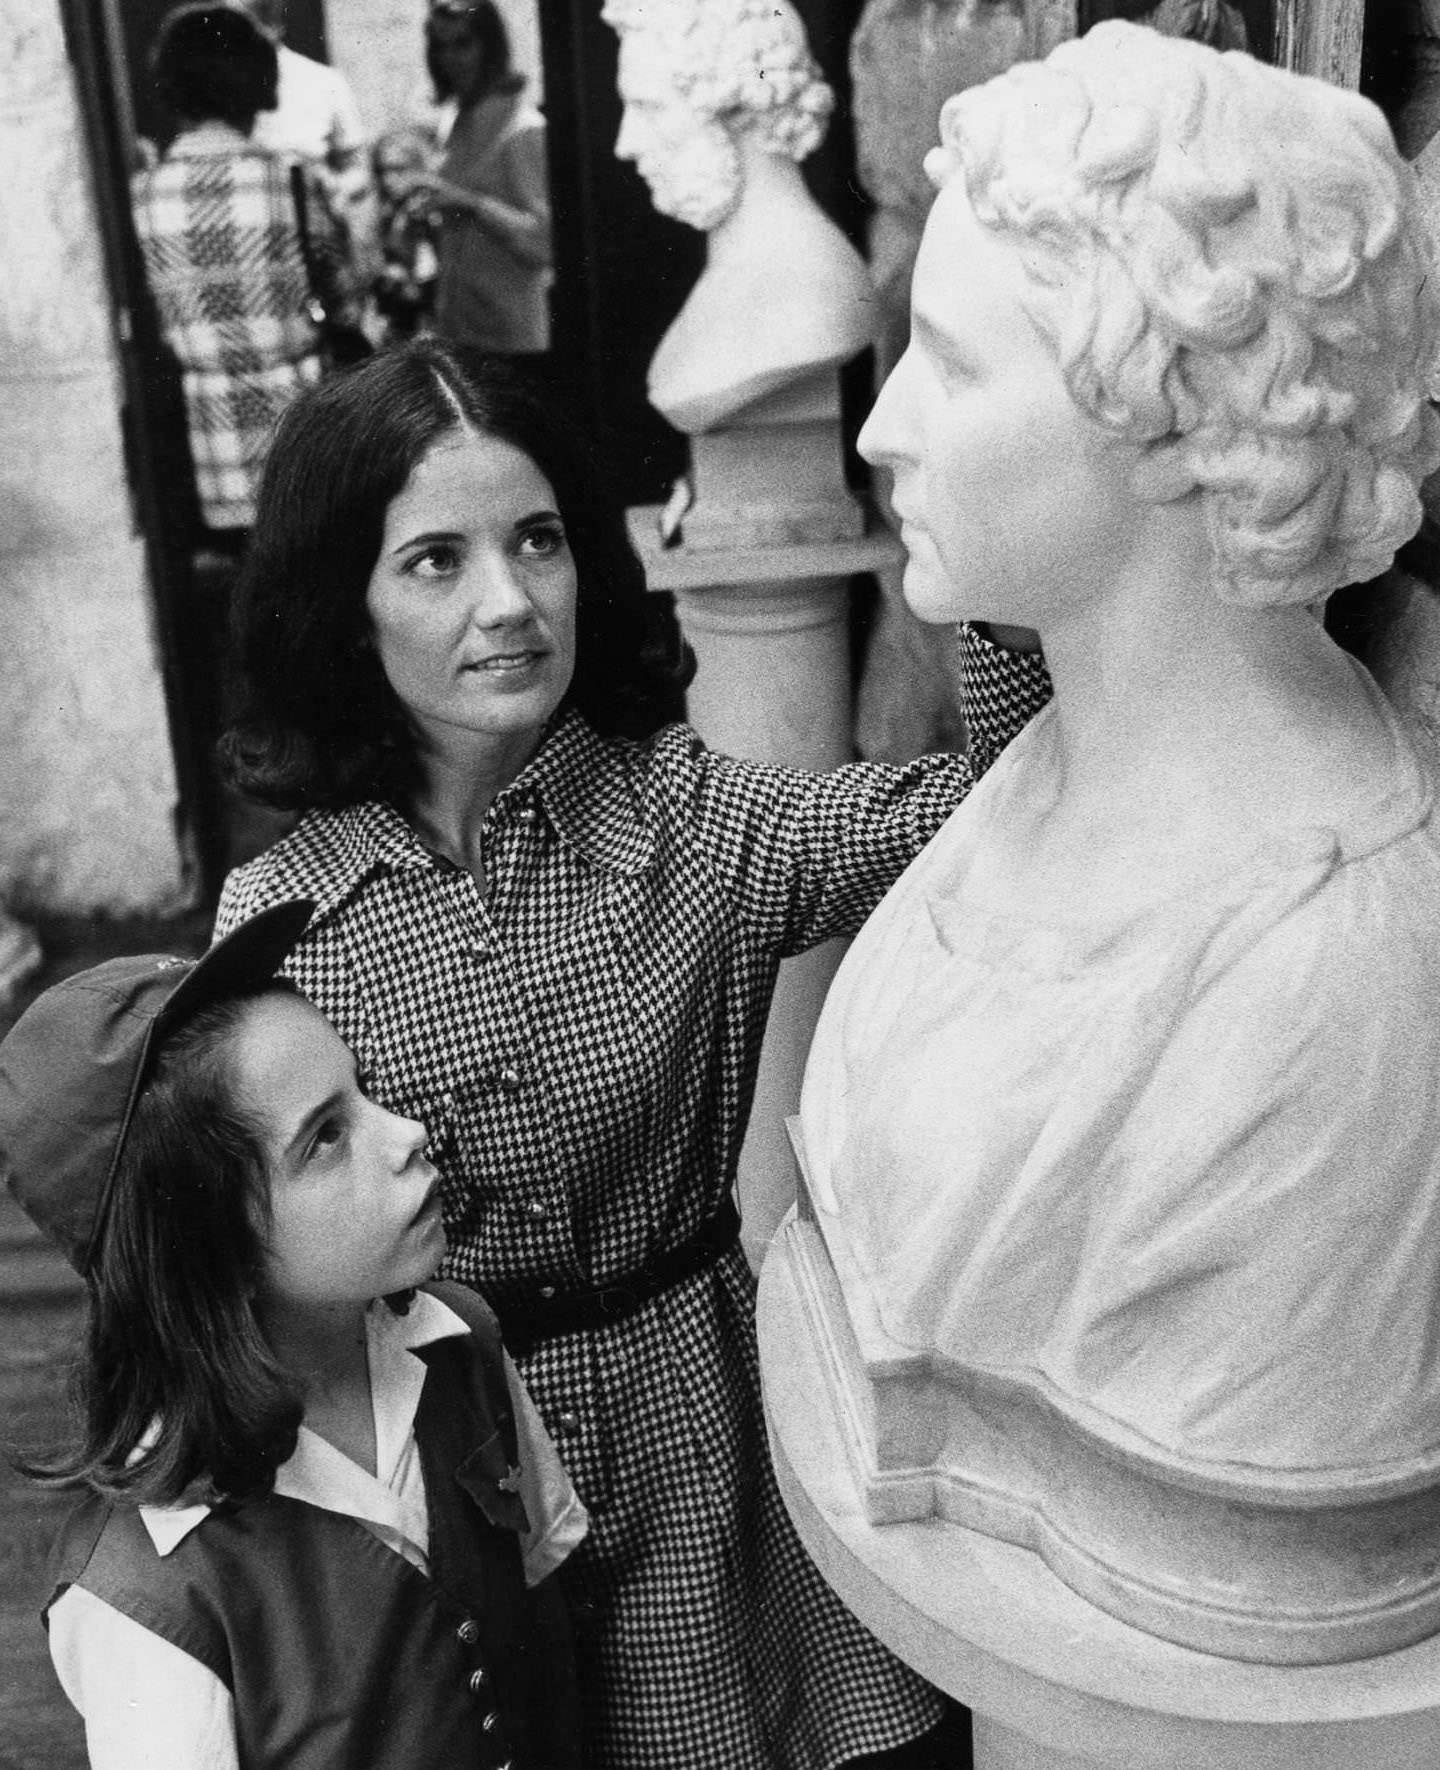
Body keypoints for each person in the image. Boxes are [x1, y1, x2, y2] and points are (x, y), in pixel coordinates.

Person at [212, 338, 1053, 1769]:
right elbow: (234, 1263)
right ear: (342, 610)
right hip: (437, 1487)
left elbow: (988, 803)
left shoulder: (693, 822)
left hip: (701, 1438)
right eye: (435, 560)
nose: (509, 601)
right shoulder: (279, 922)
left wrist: (994, 547)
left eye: (538, 539)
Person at [792, 21, 1440, 1657]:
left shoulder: (1322, 995)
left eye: (947, 362)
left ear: (1170, 419)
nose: (882, 430)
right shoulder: (1041, 769)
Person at [0, 900, 587, 1770]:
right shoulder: (147, 1589)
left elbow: (550, 1603)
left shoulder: (460, 1340)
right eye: (325, 1139)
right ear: (207, 1252)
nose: (408, 1134)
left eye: (365, 1093)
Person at [132, 2, 350, 547]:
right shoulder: (290, 183)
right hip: (299, 419)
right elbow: (342, 291)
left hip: (205, 433)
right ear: (257, 79)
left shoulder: (142, 195)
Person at [603, 0, 874, 435]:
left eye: (649, 108)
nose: (626, 144)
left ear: (736, 107)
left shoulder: (811, 302)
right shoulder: (743, 279)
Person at [401, 0, 553, 357]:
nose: (450, 59)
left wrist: (470, 203)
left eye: (463, 44)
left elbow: (545, 243)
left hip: (511, 338)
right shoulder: (454, 123)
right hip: (460, 328)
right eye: (441, 47)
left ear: (491, 46)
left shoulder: (522, 129)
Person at [235, 0, 379, 275]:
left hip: (319, 247)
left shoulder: (323, 82)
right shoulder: (217, 94)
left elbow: (360, 170)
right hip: (252, 250)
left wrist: (331, 186)